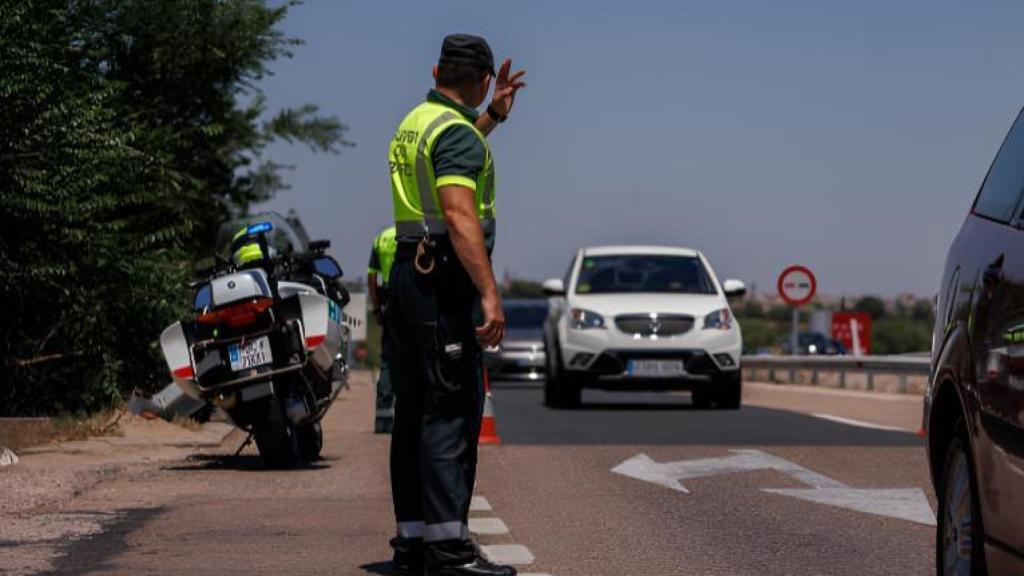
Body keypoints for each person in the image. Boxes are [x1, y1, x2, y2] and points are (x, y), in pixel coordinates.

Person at [386, 34, 525, 576]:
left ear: (436, 69)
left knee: (415, 415)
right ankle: (449, 554)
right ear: (484, 77)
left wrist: (492, 116)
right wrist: (489, 293)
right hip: (443, 284)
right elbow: (459, 214)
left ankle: (415, 545)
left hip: (408, 276)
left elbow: (449, 156)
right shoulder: (456, 136)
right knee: (449, 416)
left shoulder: (418, 122)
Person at [368, 225, 398, 433]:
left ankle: (383, 420)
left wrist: (377, 308)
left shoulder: (382, 238)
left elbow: (372, 278)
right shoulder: (419, 233)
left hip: (389, 300)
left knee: (388, 360)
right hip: (413, 298)